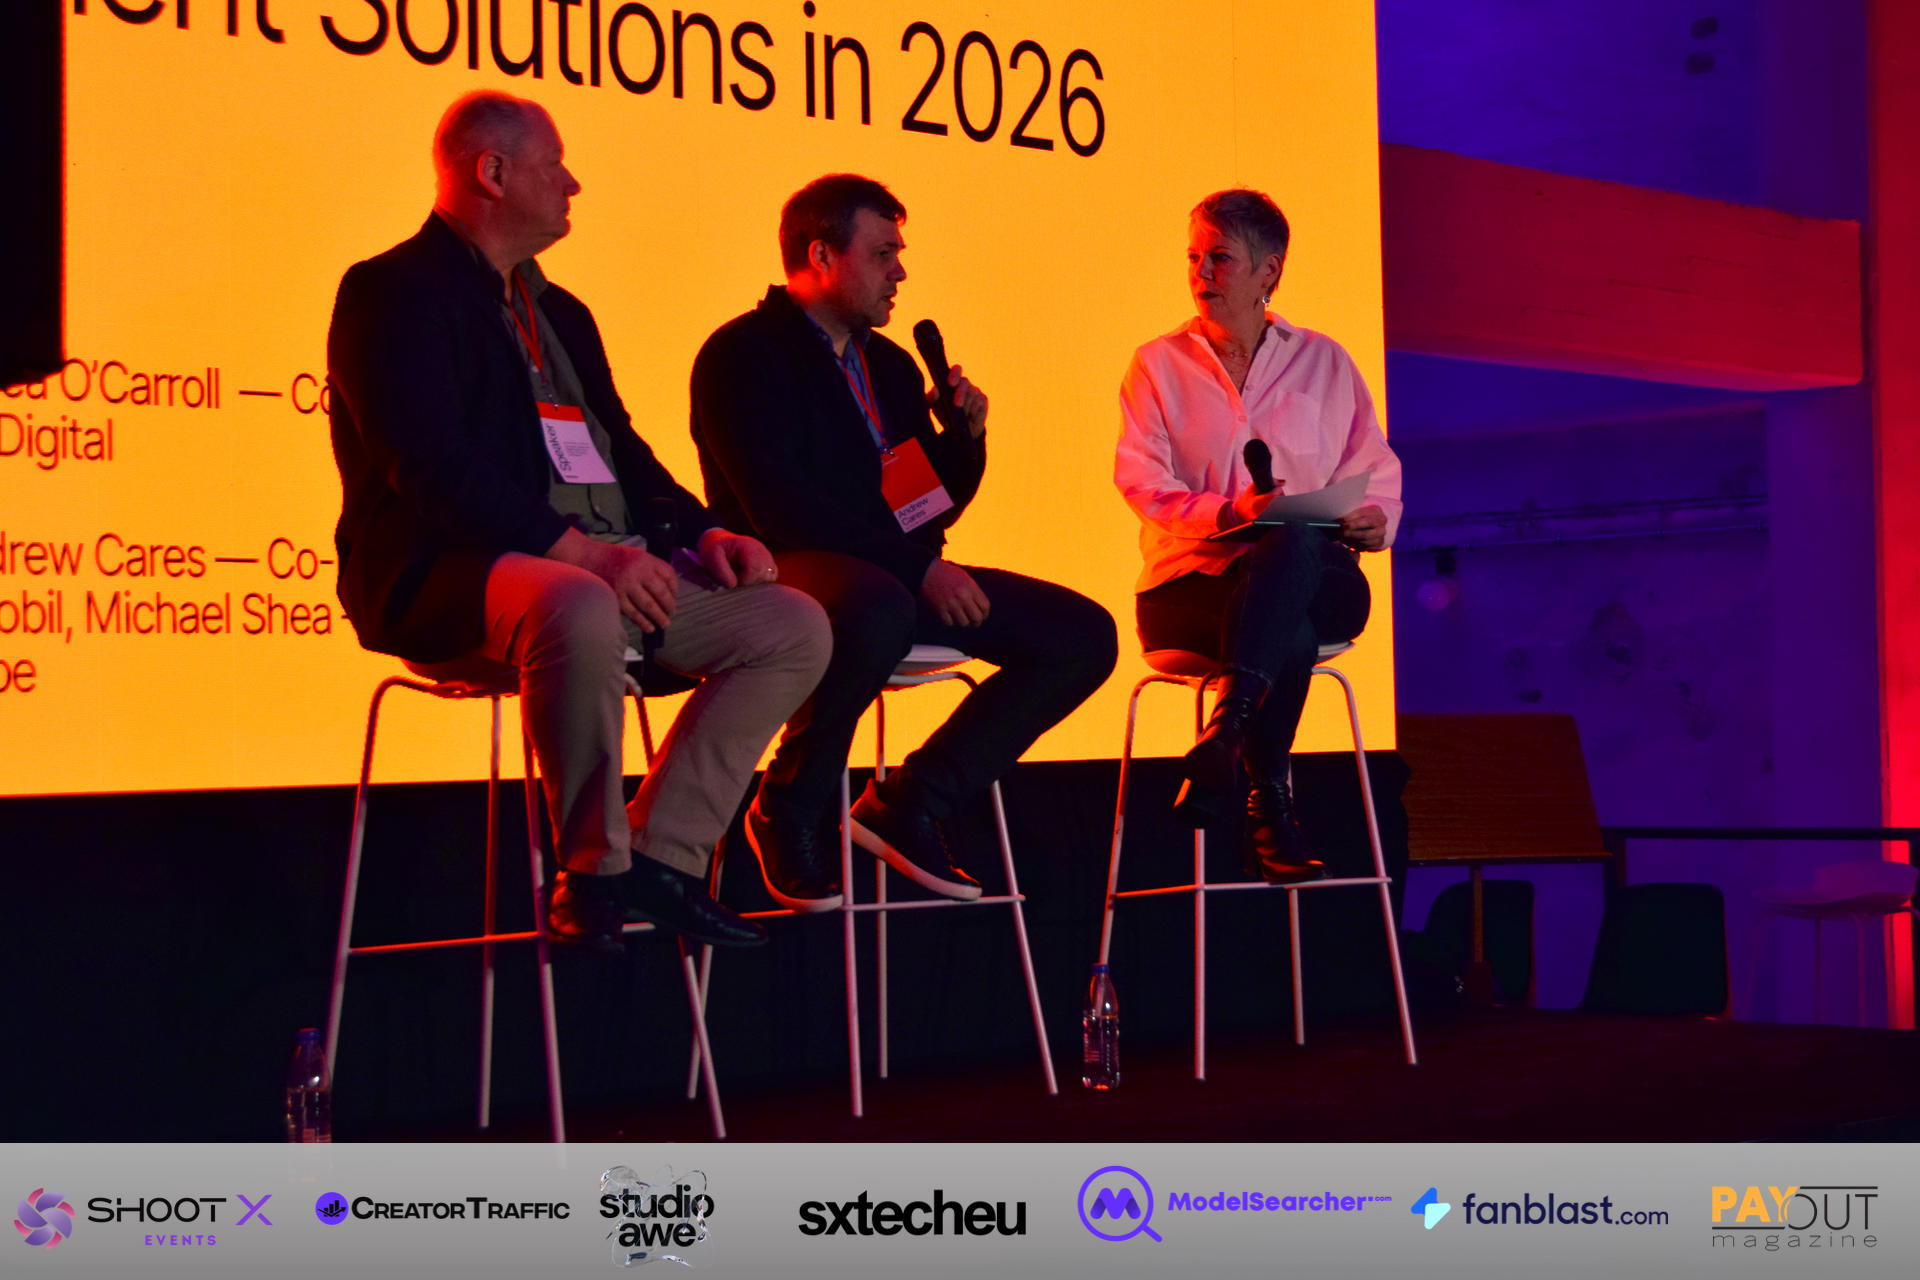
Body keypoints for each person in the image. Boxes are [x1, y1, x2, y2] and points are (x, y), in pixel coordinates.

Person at [326, 90, 830, 953]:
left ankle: (662, 858)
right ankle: (591, 872)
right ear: (492, 172)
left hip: (600, 562)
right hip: (453, 569)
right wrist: (583, 556)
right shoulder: (393, 291)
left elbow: (622, 450)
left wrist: (703, 532)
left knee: (793, 624)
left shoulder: (561, 313)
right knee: (579, 602)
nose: (574, 184)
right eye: (555, 165)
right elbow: (427, 465)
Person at [689, 174, 1117, 911]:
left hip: (893, 575)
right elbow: (778, 508)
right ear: (822, 255)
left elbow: (920, 507)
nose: (901, 273)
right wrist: (916, 571)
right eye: (884, 253)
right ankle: (790, 805)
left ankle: (913, 799)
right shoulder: (743, 354)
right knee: (878, 604)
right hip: (781, 570)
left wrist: (964, 441)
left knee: (1083, 635)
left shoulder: (886, 365)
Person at [1114, 188, 1402, 882]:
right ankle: (1267, 800)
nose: (1201, 273)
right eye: (1193, 257)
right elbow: (1141, 481)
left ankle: (1227, 731)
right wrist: (1228, 514)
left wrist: (1374, 517)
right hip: (1193, 586)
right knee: (1287, 628)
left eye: (1220, 258)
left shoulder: (1326, 361)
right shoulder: (1157, 364)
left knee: (1294, 541)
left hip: (1321, 579)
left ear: (1269, 271)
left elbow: (1373, 469)